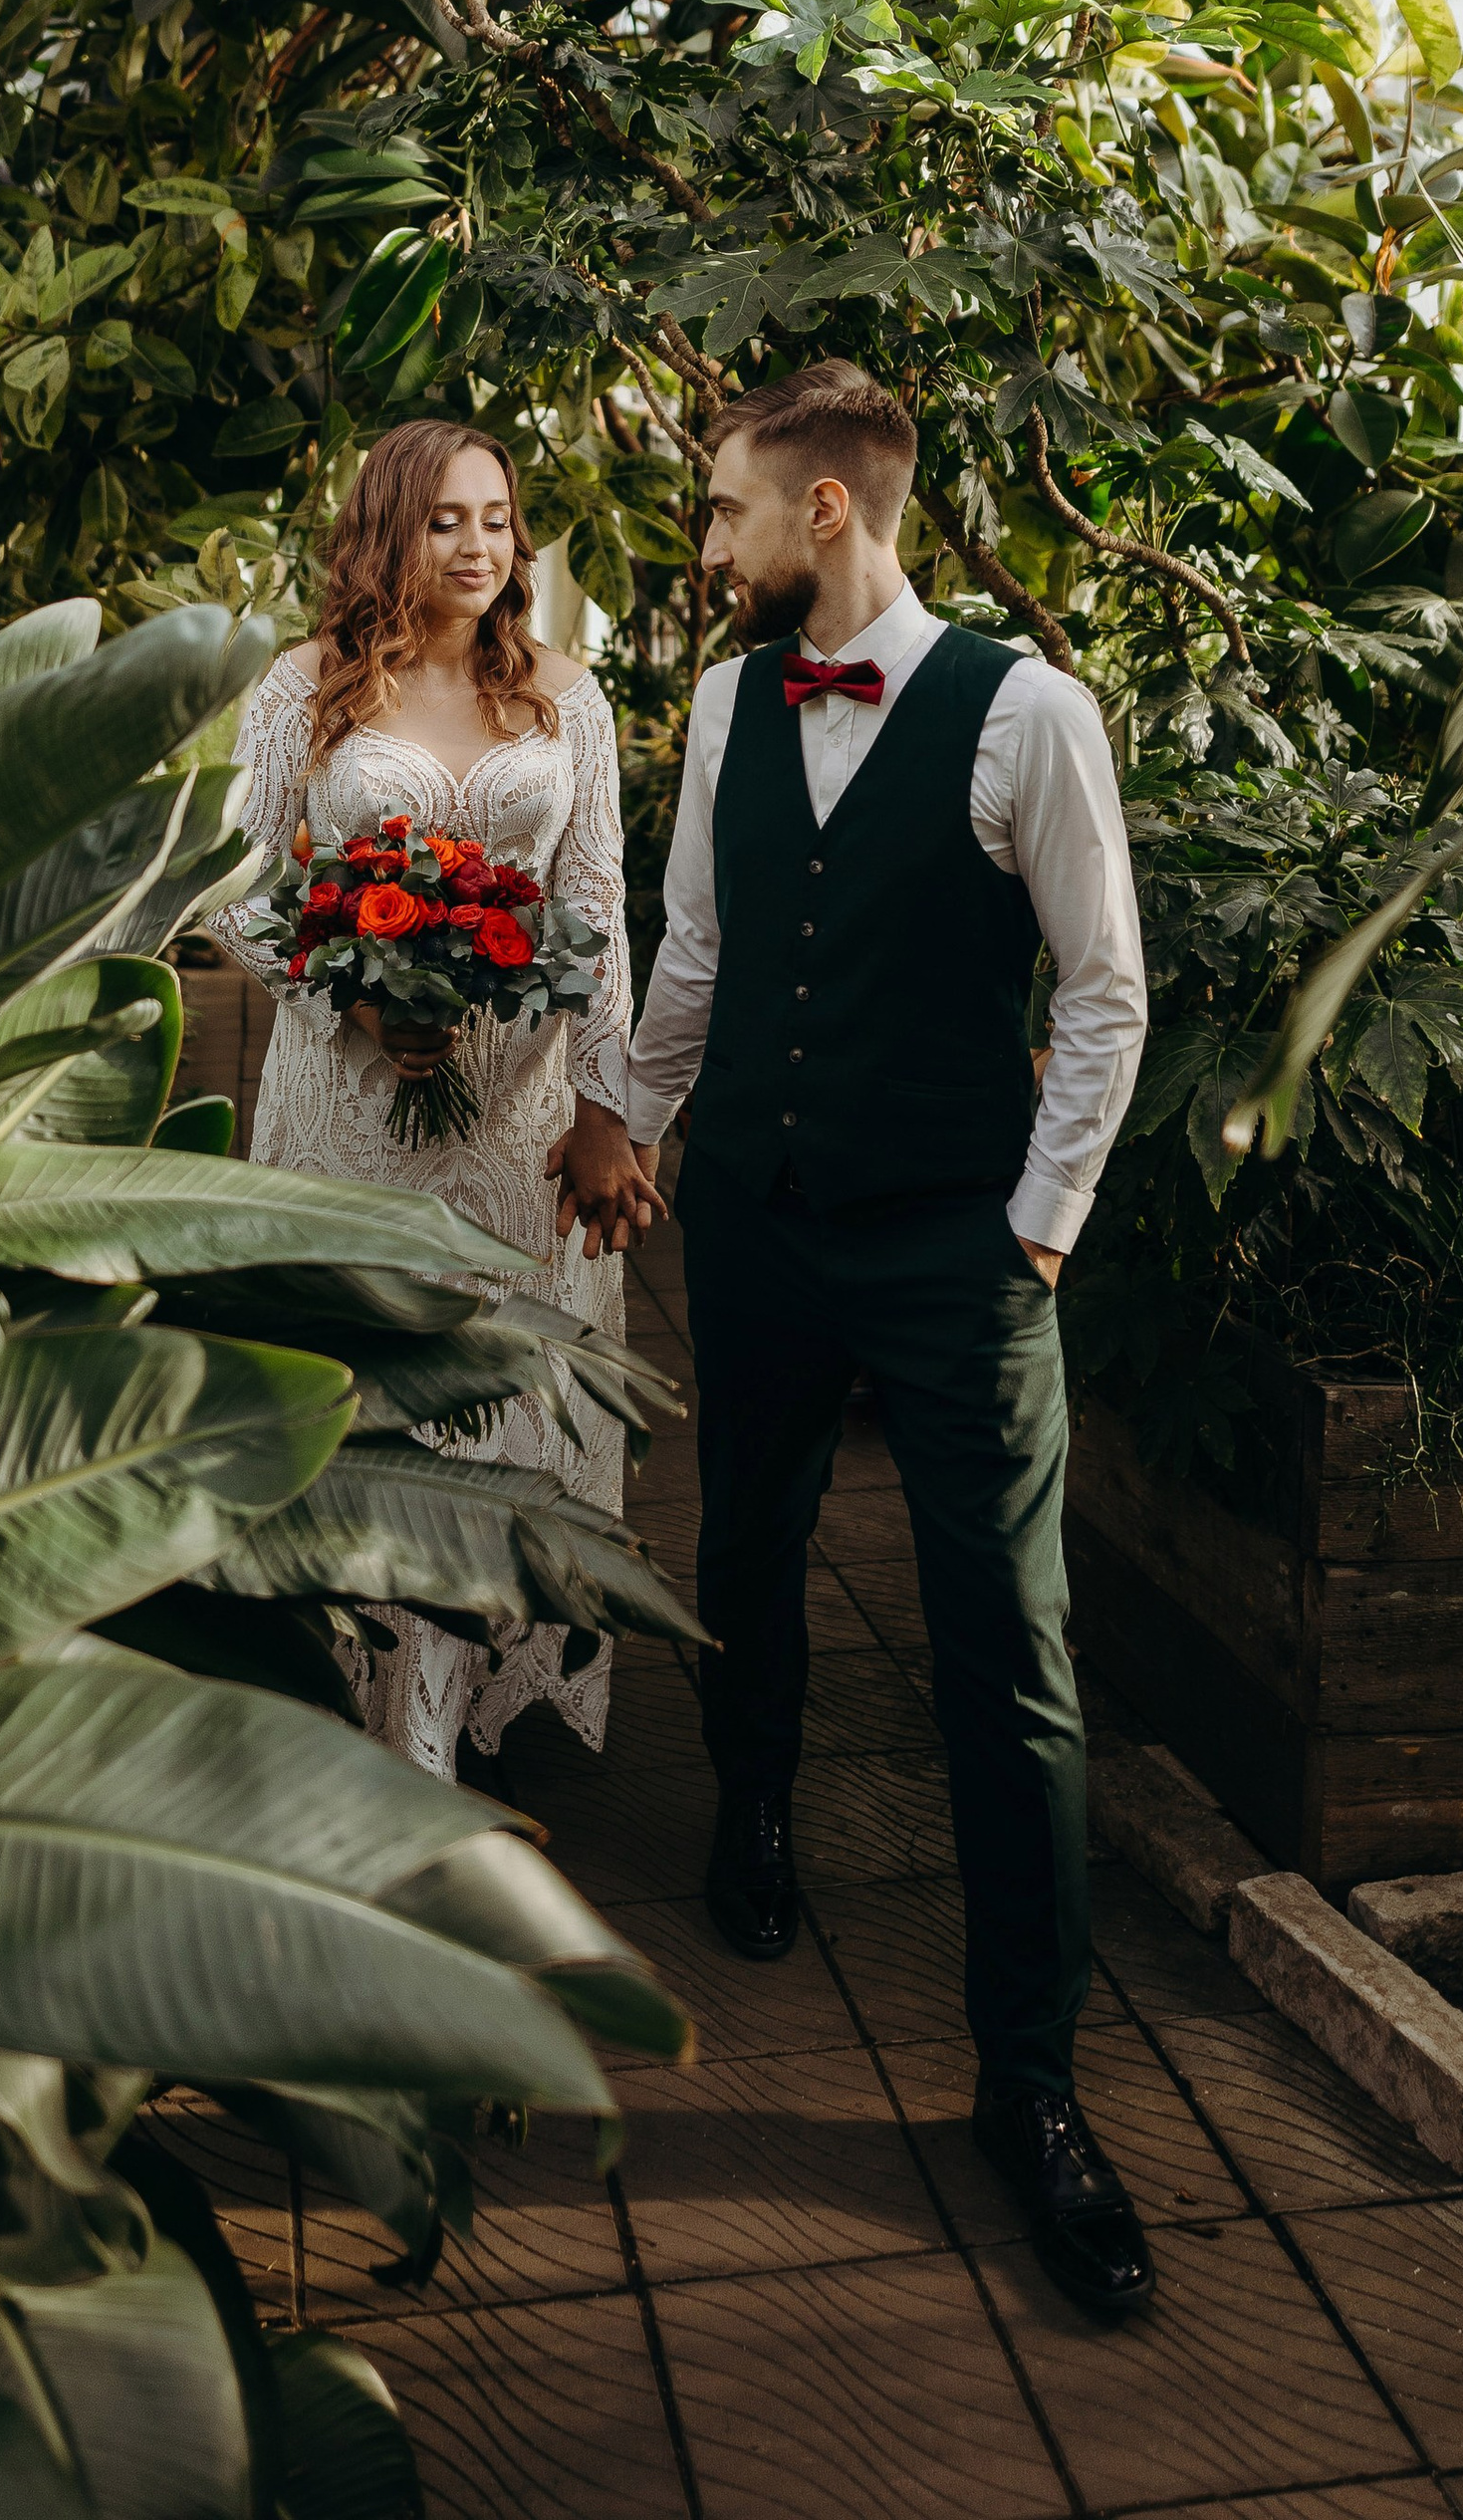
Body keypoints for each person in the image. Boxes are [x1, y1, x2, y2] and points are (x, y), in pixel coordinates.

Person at [622, 361, 1156, 2321]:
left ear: (823, 511)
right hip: (757, 1223)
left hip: (955, 1250)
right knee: (741, 1544)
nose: (712, 543)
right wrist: (627, 1117)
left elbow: (1102, 997)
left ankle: (1030, 2092)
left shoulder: (1028, 715)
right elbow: (692, 950)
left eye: (726, 512)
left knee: (1006, 1662)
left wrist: (1032, 1235)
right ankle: (752, 1803)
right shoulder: (714, 708)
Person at [213, 421, 660, 1778]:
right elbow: (233, 888)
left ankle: (461, 1711)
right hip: (348, 1110)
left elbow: (598, 913)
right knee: (378, 1401)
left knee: (506, 1396)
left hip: (516, 1124)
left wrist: (606, 1112)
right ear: (387, 533)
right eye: (445, 521)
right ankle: (374, 1717)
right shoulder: (304, 693)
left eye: (497, 520)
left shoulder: (564, 700)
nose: (479, 548)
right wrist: (351, 998)